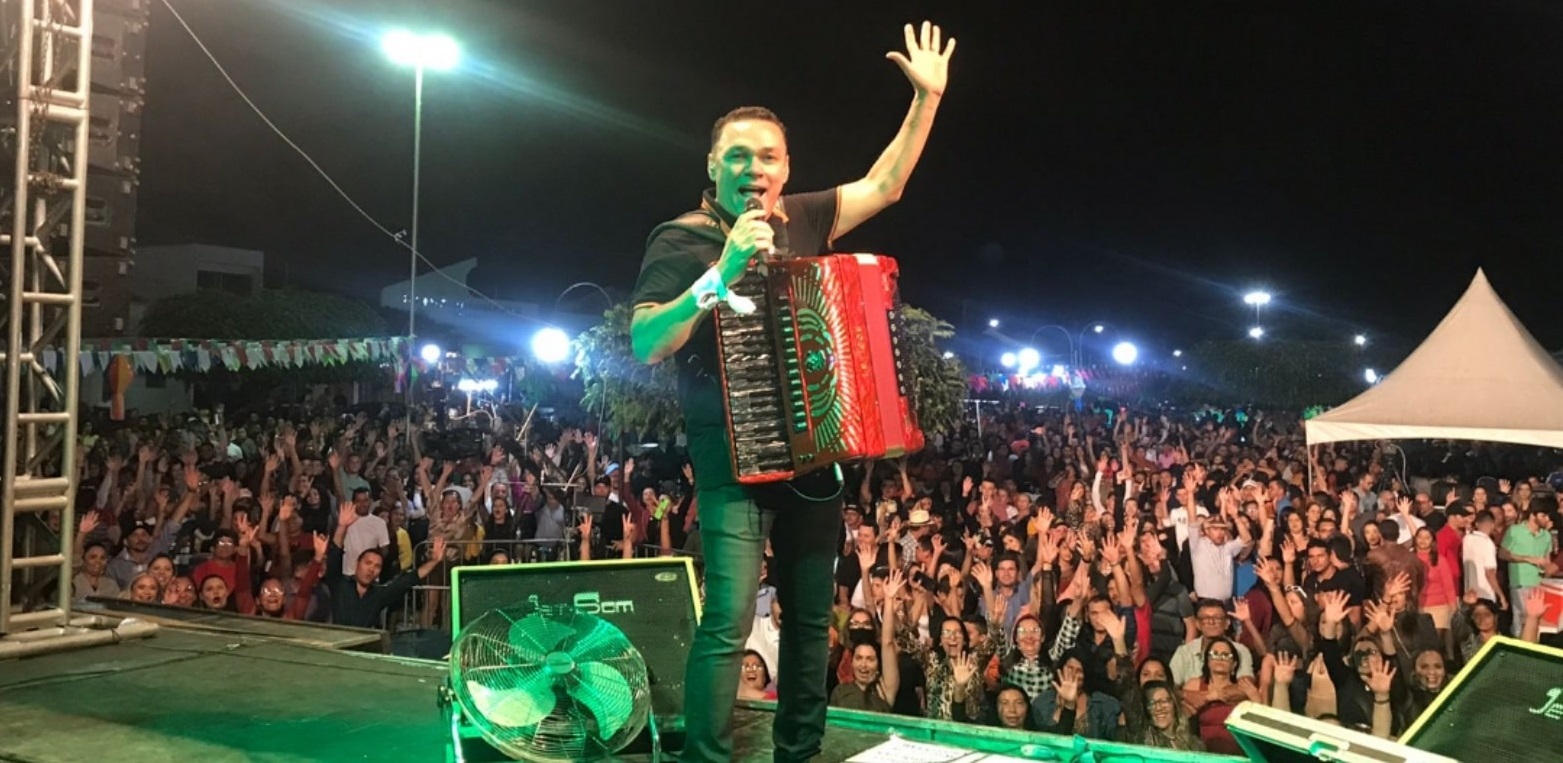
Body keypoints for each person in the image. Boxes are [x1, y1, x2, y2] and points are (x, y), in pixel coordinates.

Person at [629, 21, 955, 762]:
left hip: (813, 454)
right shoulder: (680, 239)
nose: (754, 166)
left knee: (812, 619)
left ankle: (797, 752)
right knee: (729, 619)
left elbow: (886, 184)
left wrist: (925, 100)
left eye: (767, 155)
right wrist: (723, 271)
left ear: (784, 168)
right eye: (737, 155)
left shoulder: (803, 216)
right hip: (730, 461)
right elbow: (648, 341)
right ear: (712, 167)